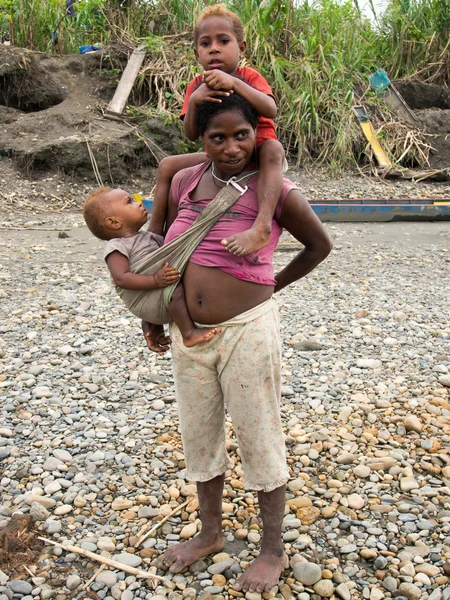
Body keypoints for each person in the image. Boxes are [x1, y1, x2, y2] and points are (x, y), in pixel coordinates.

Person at [143, 92, 333, 593]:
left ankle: (272, 548)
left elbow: (319, 246)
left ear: (258, 135)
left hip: (247, 328)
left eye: (241, 135)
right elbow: (161, 249)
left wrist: (271, 286)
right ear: (201, 141)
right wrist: (155, 317)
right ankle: (209, 533)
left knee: (258, 432)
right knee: (199, 435)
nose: (230, 147)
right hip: (190, 336)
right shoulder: (185, 181)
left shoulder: (273, 189)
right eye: (217, 137)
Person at [149, 4, 285, 258]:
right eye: (205, 43)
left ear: (241, 47)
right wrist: (194, 102)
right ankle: (158, 235)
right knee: (168, 165)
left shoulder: (249, 76)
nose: (214, 48)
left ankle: (262, 226)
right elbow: (190, 134)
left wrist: (235, 83)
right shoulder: (197, 85)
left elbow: (271, 109)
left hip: (257, 153)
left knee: (273, 148)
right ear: (196, 52)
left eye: (223, 41)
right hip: (219, 157)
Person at [83, 187, 220, 347]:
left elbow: (170, 251)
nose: (139, 203)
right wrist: (155, 280)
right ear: (114, 222)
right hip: (149, 298)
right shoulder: (117, 246)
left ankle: (154, 325)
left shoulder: (148, 237)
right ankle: (188, 333)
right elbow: (121, 278)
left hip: (155, 294)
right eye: (130, 202)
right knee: (175, 292)